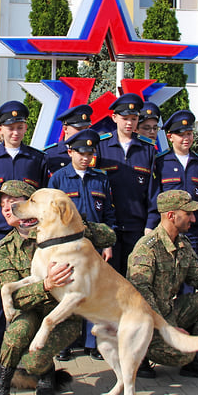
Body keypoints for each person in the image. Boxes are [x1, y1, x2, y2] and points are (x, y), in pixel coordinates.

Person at [0, 180, 116, 395]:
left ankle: (44, 370)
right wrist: (45, 286)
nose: (7, 208)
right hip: (32, 307)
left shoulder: (65, 231)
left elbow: (109, 238)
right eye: (3, 204)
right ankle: (3, 386)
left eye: (13, 202)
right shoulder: (5, 248)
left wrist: (74, 222)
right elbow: (17, 299)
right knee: (17, 335)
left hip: (65, 313)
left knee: (35, 360)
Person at [127, 190, 198, 382]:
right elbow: (140, 295)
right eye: (188, 213)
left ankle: (197, 363)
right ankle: (140, 354)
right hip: (146, 323)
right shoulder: (147, 248)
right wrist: (168, 329)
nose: (193, 219)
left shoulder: (183, 244)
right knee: (185, 353)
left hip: (168, 311)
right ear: (171, 216)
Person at [0, 101, 49, 360]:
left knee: (32, 285)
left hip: (29, 235)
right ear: (0, 130)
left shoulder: (37, 159)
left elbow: (42, 198)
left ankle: (29, 341)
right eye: (10, 128)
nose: (15, 133)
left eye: (20, 127)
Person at [48, 128, 116, 359]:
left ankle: (92, 343)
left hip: (94, 247)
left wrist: (107, 243)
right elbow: (52, 216)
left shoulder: (101, 178)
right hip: (67, 248)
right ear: (70, 152)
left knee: (93, 292)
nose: (85, 158)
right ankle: (64, 344)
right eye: (80, 153)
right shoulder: (58, 178)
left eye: (89, 153)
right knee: (67, 293)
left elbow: (108, 214)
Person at [96, 93, 156, 277]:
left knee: (136, 279)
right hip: (109, 227)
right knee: (109, 280)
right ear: (114, 118)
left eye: (134, 118)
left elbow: (153, 190)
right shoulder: (101, 146)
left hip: (137, 227)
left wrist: (151, 223)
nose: (129, 123)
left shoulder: (147, 149)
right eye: (125, 118)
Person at [147, 109, 198, 261]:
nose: (186, 138)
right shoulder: (161, 162)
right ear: (170, 137)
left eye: (189, 134)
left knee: (189, 277)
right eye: (181, 135)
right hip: (167, 230)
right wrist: (151, 225)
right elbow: (155, 197)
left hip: (191, 232)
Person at [45, 104, 93, 174]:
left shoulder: (95, 151)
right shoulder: (50, 154)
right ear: (65, 128)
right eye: (79, 129)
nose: (83, 133)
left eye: (86, 129)